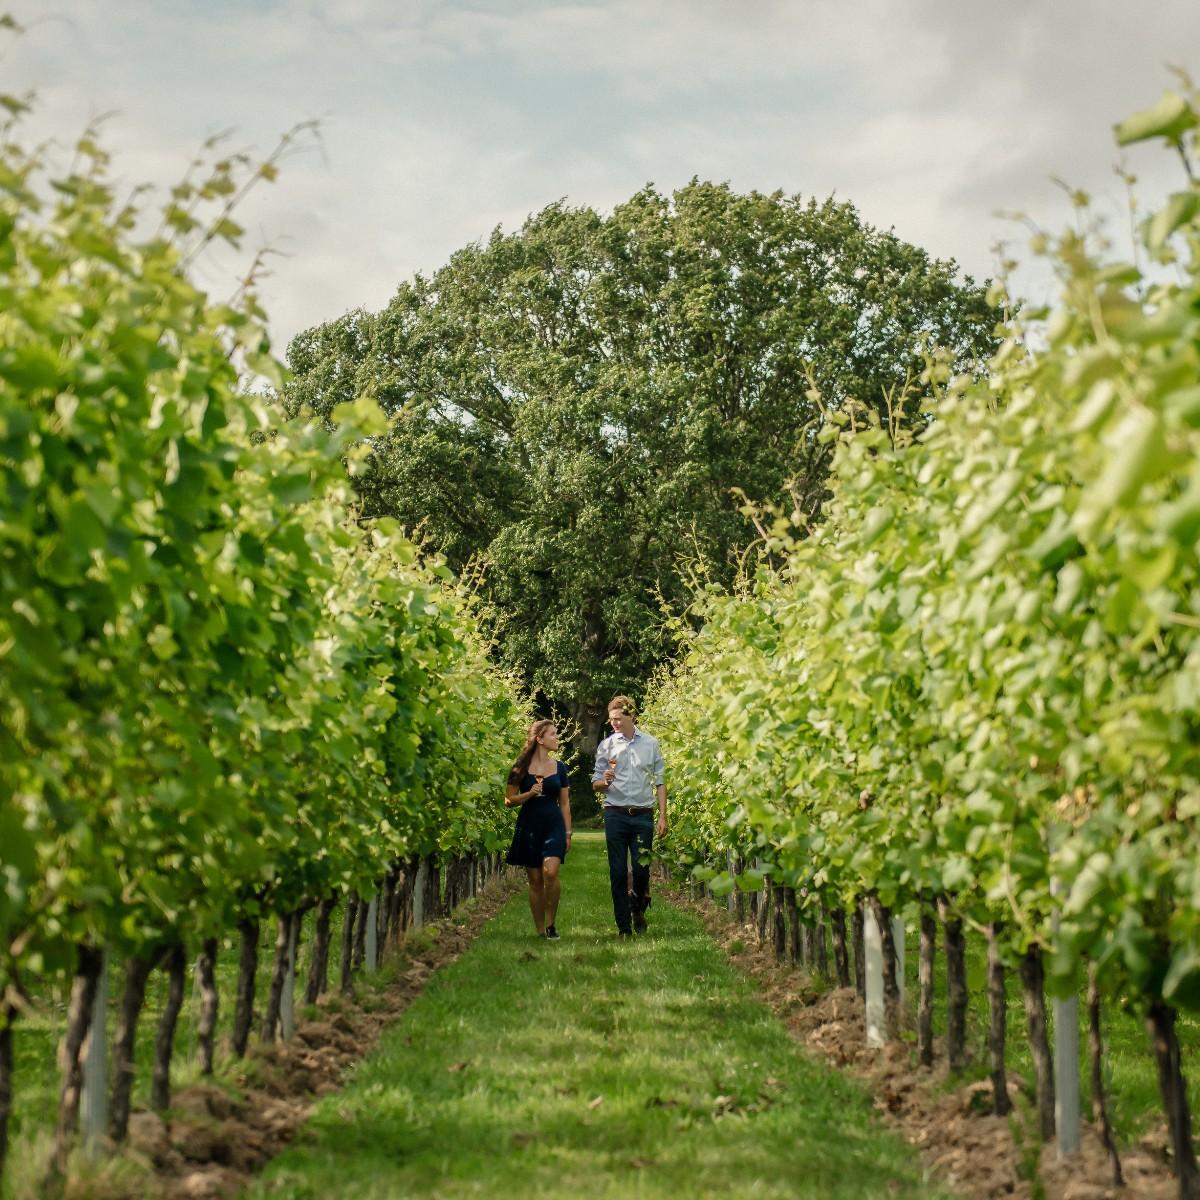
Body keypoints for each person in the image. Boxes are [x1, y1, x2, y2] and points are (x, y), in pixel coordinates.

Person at [591, 695, 667, 938]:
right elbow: (595, 782)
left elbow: (660, 781)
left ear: (631, 716)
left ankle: (637, 907)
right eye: (611, 719)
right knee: (617, 872)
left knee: (641, 869)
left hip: (643, 815)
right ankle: (624, 928)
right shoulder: (607, 746)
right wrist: (604, 782)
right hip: (615, 814)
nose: (613, 723)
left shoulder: (651, 744)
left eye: (618, 718)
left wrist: (663, 816)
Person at [504, 719, 572, 939]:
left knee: (550, 873)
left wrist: (568, 832)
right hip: (529, 826)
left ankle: (552, 923)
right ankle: (540, 930)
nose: (557, 738)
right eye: (553, 734)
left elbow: (564, 803)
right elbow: (509, 800)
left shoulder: (560, 768)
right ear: (540, 739)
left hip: (553, 825)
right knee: (535, 881)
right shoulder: (520, 769)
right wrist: (529, 794)